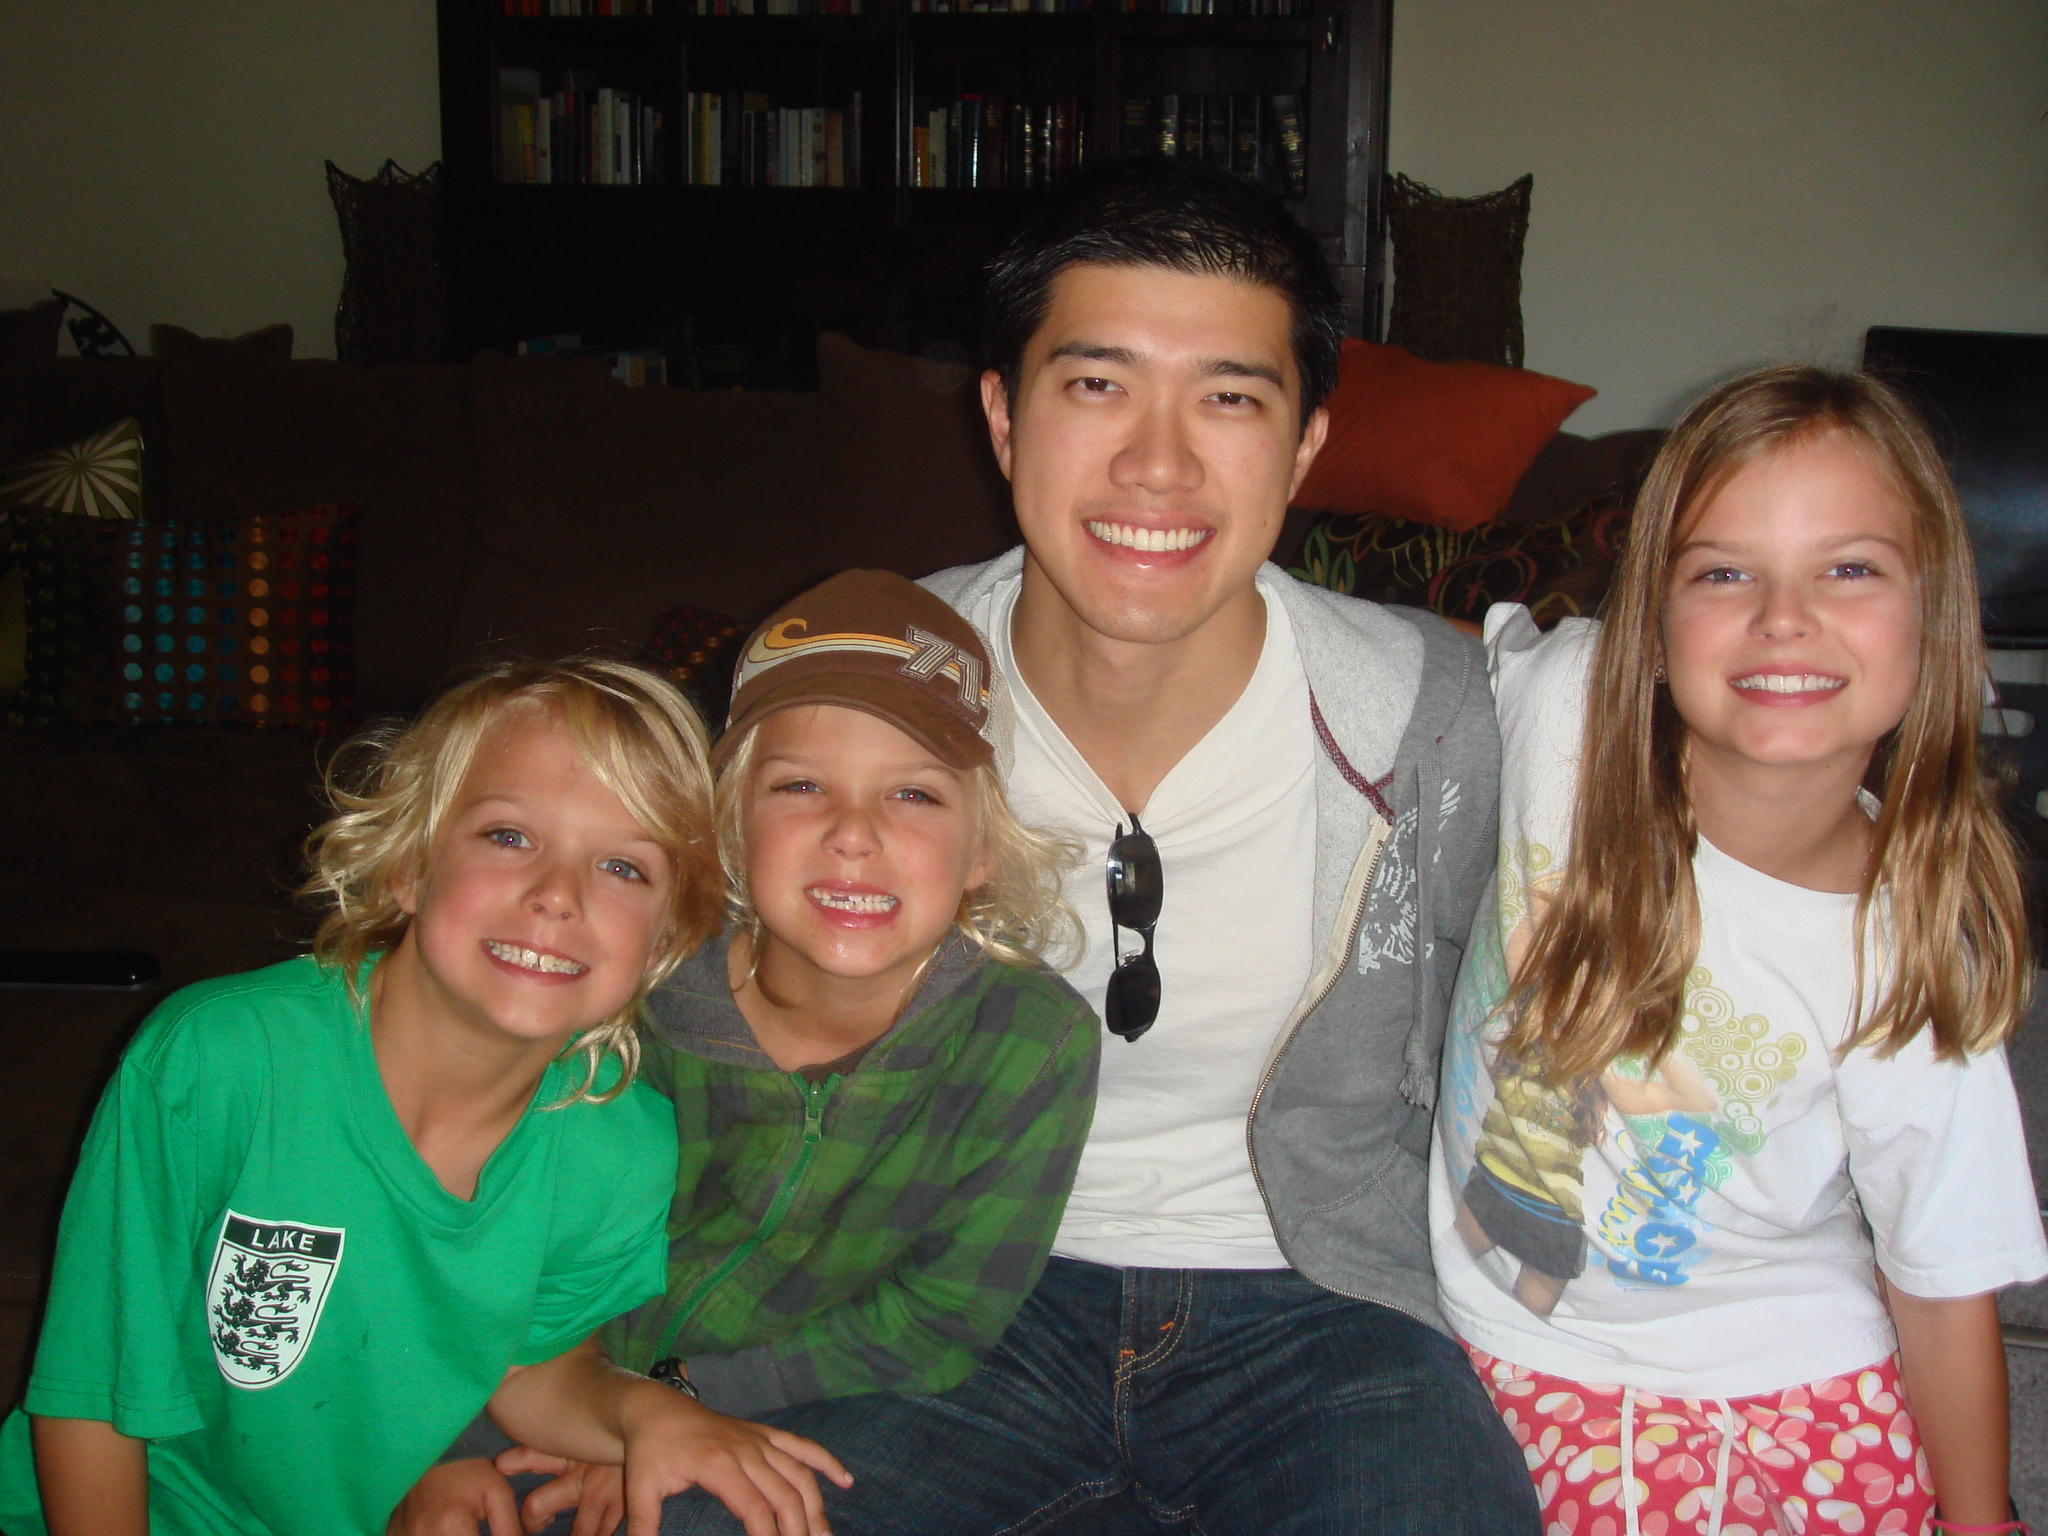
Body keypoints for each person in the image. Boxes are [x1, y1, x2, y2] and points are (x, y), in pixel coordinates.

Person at [650, 156, 1539, 1535]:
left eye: (1228, 398)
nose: (1157, 464)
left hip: (1327, 1311)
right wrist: (611, 1379)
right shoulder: (851, 691)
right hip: (924, 1286)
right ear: (1002, 417)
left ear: (1307, 444)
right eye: (1096, 384)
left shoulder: (1443, 718)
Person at [0, 658, 848, 1536]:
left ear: (665, 940)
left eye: (622, 867)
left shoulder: (620, 1145)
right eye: (509, 836)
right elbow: (92, 1396)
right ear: (409, 864)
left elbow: (532, 1368)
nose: (557, 897)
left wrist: (645, 1415)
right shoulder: (219, 1062)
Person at [1432, 365, 2048, 1534]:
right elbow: (1442, 650)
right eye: (1723, 572)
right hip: (1508, 1343)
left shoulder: (1907, 949)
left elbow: (1939, 1282)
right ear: (1650, 625)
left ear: (1931, 620)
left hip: (1776, 1371)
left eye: (1848, 569)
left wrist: (1981, 1524)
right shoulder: (1567, 703)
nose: (1782, 617)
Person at [431, 571, 1101, 1534]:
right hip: (526, 1385)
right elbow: (488, 1230)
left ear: (983, 848)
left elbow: (940, 1319)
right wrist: (448, 1446)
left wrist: (676, 1405)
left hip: (800, 1400)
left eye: (914, 794)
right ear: (732, 828)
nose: (854, 835)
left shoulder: (1031, 1044)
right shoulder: (632, 991)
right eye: (801, 786)